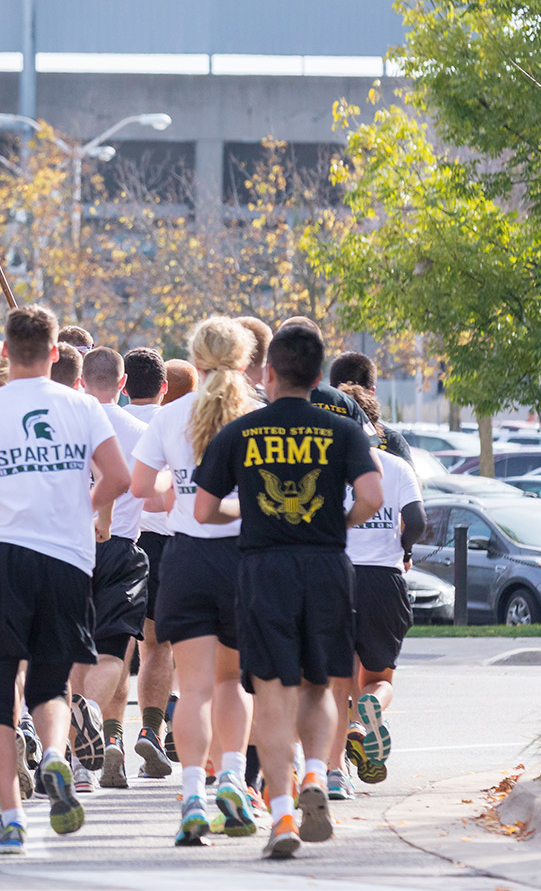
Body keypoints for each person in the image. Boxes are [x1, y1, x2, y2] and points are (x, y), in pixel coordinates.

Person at [0, 305, 130, 855]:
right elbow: (120, 477)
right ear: (55, 354)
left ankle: (12, 817)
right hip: (67, 561)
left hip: (6, 556)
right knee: (50, 684)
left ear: (1, 355)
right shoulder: (84, 407)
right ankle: (57, 759)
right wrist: (82, 509)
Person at [192, 322, 382, 859]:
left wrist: (245, 507)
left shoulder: (241, 433)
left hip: (264, 571)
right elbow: (373, 494)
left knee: (271, 694)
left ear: (268, 373)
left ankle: (281, 818)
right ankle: (319, 774)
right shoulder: (341, 430)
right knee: (320, 685)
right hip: (325, 566)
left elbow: (203, 510)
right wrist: (340, 522)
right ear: (319, 377)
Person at [131, 316, 260, 847]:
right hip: (240, 559)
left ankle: (191, 798)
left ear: (195, 358)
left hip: (185, 559)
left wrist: (174, 483)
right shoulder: (257, 413)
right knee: (233, 682)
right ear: (244, 360)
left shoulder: (170, 414)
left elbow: (143, 487)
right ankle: (231, 775)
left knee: (196, 688)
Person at [328, 380, 423, 795]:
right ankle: (370, 710)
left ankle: (340, 755)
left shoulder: (330, 466)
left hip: (337, 572)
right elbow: (417, 520)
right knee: (380, 675)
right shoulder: (397, 467)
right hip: (384, 577)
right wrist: (404, 548)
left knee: (339, 672)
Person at [74, 346, 152, 790]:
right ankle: (85, 710)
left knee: (73, 651)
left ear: (82, 381)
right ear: (123, 385)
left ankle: (81, 757)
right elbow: (155, 495)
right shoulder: (138, 430)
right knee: (112, 656)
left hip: (69, 545)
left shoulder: (67, 422)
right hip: (120, 547)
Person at [123, 347, 179, 779]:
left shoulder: (107, 423)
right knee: (157, 648)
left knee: (111, 647)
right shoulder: (171, 423)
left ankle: (94, 738)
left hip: (117, 541)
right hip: (164, 543)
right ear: (164, 388)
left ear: (123, 384)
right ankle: (151, 729)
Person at [328, 352, 414, 463]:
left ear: (331, 389)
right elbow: (410, 478)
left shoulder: (314, 434)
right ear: (372, 391)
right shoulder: (393, 441)